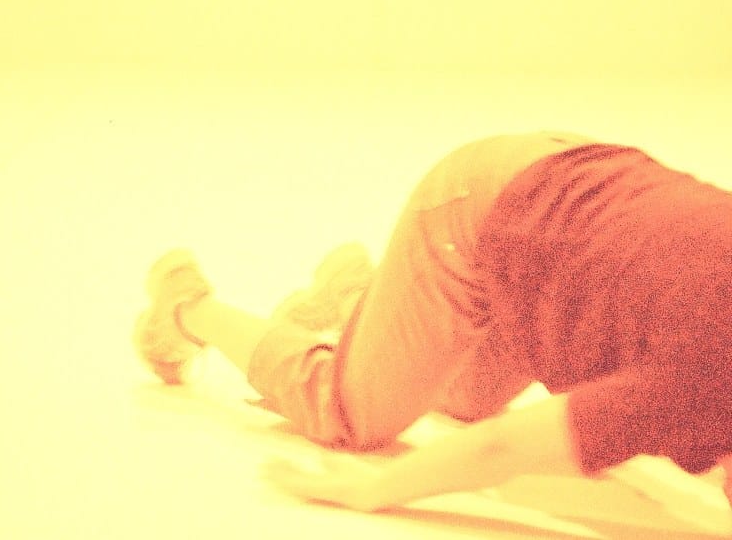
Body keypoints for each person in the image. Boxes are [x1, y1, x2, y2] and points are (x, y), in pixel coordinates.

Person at [132, 131, 732, 512]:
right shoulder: (700, 384)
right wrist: (370, 491)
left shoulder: (701, 379)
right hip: (478, 212)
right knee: (347, 413)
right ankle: (187, 307)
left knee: (468, 398)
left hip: (572, 199)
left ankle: (360, 298)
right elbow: (502, 447)